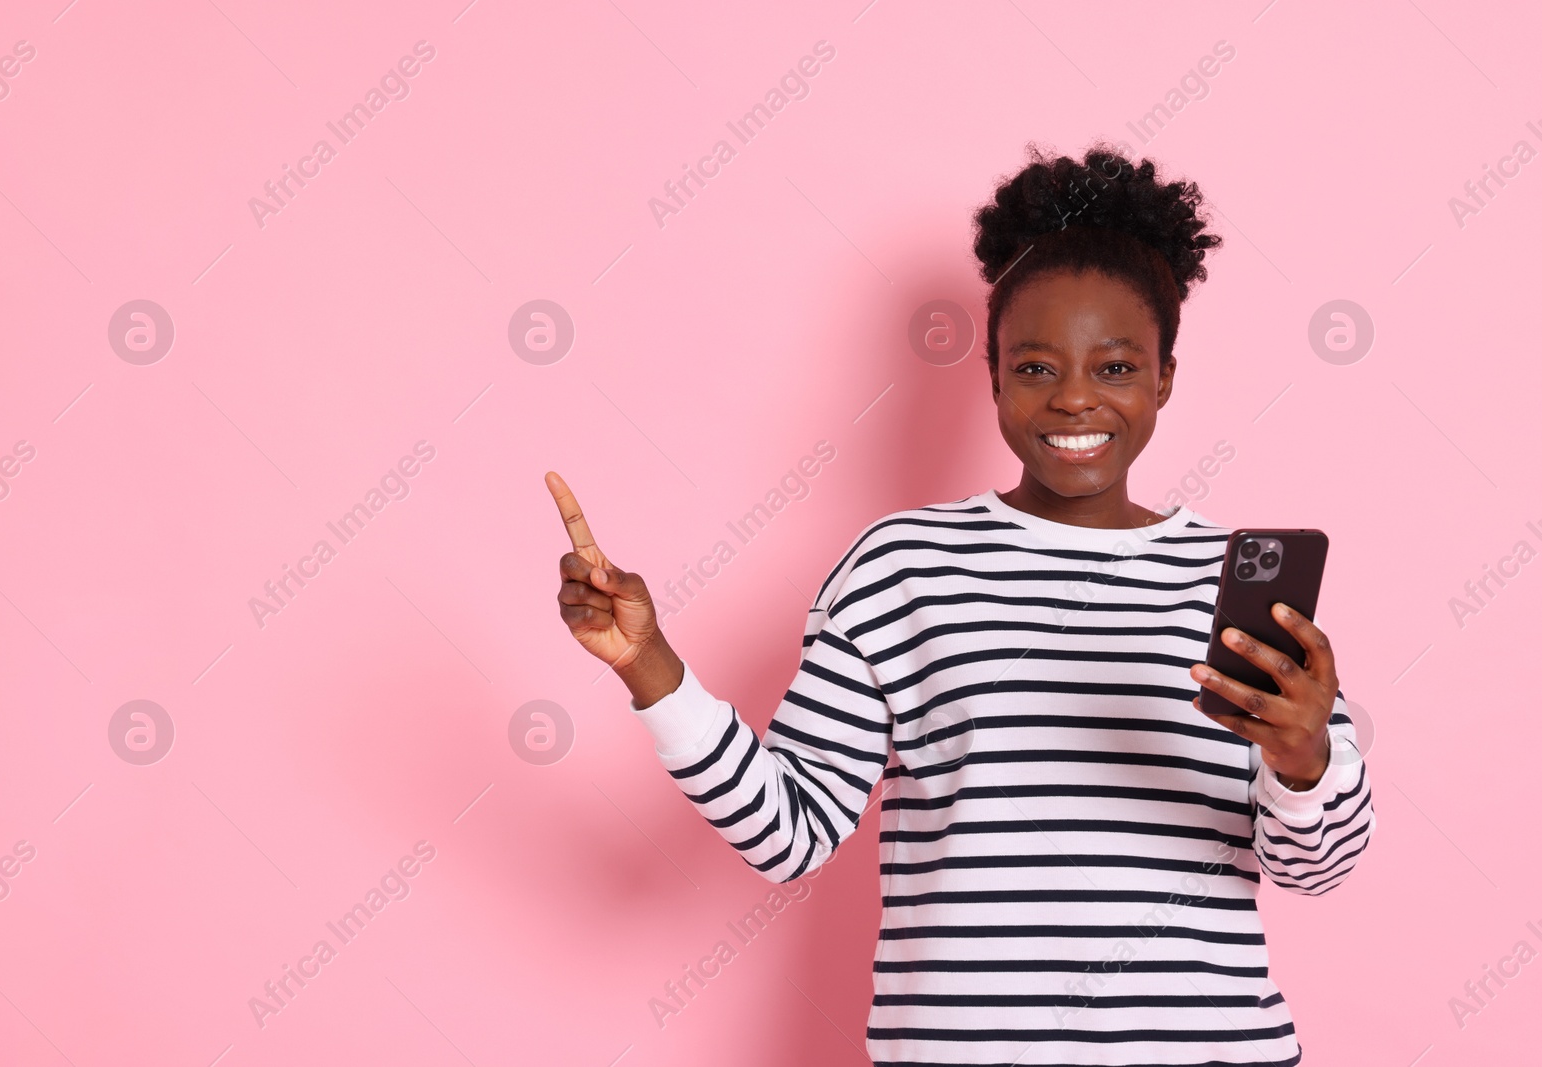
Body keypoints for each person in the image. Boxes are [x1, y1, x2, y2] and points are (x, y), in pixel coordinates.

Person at [546, 143, 1374, 1066]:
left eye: (1114, 367)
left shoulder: (1234, 589)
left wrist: (1304, 759)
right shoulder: (902, 568)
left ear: (1164, 379)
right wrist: (647, 665)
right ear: (989, 374)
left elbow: (1318, 866)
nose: (1072, 398)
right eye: (1033, 367)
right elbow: (790, 832)